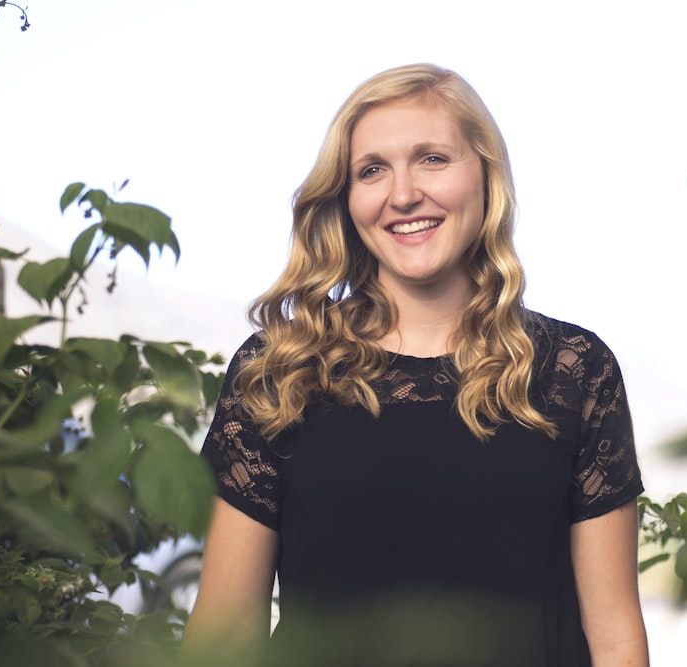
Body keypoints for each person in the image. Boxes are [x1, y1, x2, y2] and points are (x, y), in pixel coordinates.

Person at [181, 64, 648, 667]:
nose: (402, 194)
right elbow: (223, 634)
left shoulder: (573, 372)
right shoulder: (282, 371)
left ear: (486, 176)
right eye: (372, 170)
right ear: (347, 200)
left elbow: (614, 638)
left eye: (432, 159)